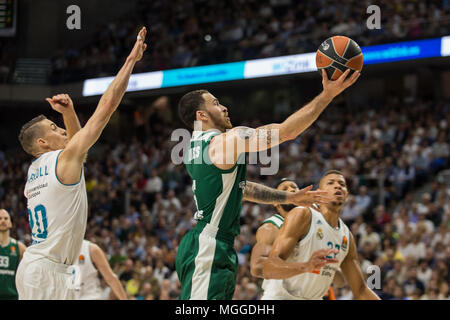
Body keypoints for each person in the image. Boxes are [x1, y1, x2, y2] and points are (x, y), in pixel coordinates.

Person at [176, 68, 360, 300]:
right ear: (202, 115)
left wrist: (288, 198)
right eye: (216, 103)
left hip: (207, 243)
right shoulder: (226, 140)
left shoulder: (194, 148)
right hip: (209, 245)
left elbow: (241, 189)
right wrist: (327, 96)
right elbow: (285, 132)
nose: (224, 107)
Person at [15, 27, 148, 300]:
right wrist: (130, 62)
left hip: (42, 269)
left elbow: (78, 151)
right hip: (47, 273)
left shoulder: (35, 171)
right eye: (54, 127)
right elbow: (107, 107)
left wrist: (69, 113)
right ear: (42, 143)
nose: (62, 130)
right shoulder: (61, 161)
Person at [262, 170, 380, 300]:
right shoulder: (302, 215)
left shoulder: (346, 236)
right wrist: (305, 266)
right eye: (330, 183)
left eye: (342, 184)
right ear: (319, 193)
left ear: (347, 196)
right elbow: (269, 268)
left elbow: (360, 290)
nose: (337, 186)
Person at [249, 179, 345, 300]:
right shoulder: (271, 227)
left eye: (294, 187)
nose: (291, 190)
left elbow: (341, 281)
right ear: (275, 201)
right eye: (285, 189)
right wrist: (304, 265)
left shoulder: (318, 226)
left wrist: (328, 265)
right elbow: (257, 267)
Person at [0, 209, 27, 300]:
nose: (3, 220)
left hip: (12, 296)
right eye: (0, 218)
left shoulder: (19, 247)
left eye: (6, 218)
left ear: (11, 223)